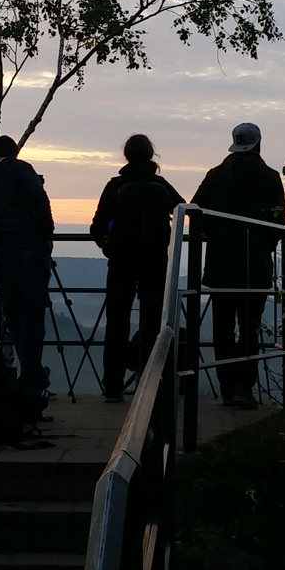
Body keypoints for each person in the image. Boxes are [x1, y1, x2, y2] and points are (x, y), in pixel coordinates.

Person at [192, 122, 285, 408]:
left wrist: (213, 235)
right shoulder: (271, 178)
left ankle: (227, 387)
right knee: (250, 327)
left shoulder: (215, 175)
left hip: (220, 266)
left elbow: (195, 212)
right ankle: (245, 387)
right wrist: (263, 248)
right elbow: (278, 223)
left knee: (222, 327)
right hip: (255, 267)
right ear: (258, 143)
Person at [90, 134, 184, 402]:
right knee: (154, 321)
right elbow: (185, 211)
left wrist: (107, 244)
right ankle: (151, 385)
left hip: (121, 260)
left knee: (117, 321)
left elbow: (96, 227)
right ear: (151, 155)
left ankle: (112, 387)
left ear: (127, 156)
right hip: (155, 260)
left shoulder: (115, 186)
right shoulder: (162, 185)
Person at [0, 135, 55, 386]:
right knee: (33, 311)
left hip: (0, 252)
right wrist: (47, 234)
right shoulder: (20, 168)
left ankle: (28, 371)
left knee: (14, 313)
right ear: (14, 152)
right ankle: (32, 373)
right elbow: (39, 199)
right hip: (30, 246)